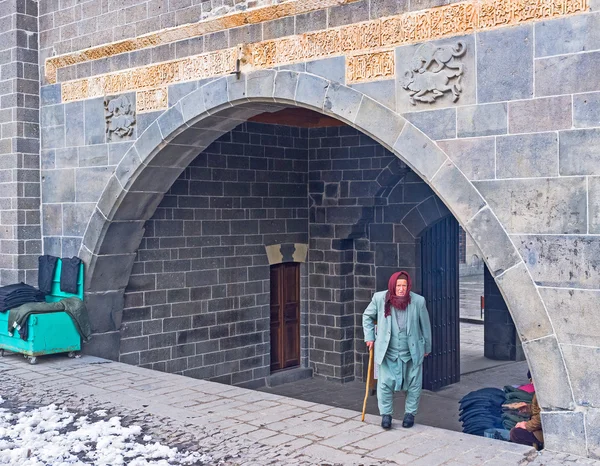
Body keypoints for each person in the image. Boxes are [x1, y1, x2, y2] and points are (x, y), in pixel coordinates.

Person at [362, 271, 432, 429]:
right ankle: (386, 415)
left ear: (408, 287)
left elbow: (425, 326)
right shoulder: (380, 299)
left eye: (404, 286)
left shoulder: (418, 302)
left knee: (414, 385)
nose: (401, 289)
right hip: (388, 352)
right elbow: (367, 316)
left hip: (411, 352)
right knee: (384, 385)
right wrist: (369, 337)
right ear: (393, 286)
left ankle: (409, 414)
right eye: (398, 286)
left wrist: (427, 347)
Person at [509, 372, 544, 449]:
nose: (531, 382)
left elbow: (542, 416)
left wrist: (527, 425)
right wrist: (528, 408)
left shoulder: (544, 393)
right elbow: (538, 409)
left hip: (544, 432)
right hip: (539, 427)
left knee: (515, 433)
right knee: (516, 426)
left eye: (532, 379)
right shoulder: (539, 391)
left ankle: (537, 448)